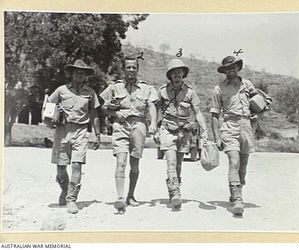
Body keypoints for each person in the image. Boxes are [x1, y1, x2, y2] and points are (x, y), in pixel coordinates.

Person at [100, 55, 158, 212]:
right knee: (121, 161)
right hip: (120, 126)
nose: (131, 70)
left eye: (134, 67)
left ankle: (130, 195)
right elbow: (103, 107)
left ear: (137, 69)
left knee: (134, 164)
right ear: (123, 69)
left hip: (139, 126)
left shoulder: (147, 88)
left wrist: (153, 123)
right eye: (128, 67)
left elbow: (152, 106)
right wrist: (115, 113)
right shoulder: (114, 87)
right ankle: (120, 197)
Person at [48, 59, 101, 214]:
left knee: (77, 164)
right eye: (76, 71)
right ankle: (64, 190)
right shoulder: (61, 90)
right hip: (62, 131)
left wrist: (97, 135)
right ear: (71, 73)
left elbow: (95, 114)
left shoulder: (90, 93)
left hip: (81, 131)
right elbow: (49, 107)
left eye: (82, 72)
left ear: (86, 76)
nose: (79, 74)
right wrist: (49, 121)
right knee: (61, 167)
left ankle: (72, 199)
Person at [210, 55, 260, 216]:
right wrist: (217, 136)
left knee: (243, 166)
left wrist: (258, 115)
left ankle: (236, 190)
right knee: (234, 162)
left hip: (246, 126)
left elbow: (260, 103)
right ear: (224, 70)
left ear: (238, 68)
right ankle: (238, 199)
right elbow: (214, 114)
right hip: (229, 127)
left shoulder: (247, 84)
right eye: (228, 67)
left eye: (234, 66)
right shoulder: (219, 89)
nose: (231, 69)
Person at [157, 58, 208, 209]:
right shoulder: (162, 91)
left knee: (178, 165)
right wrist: (154, 127)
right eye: (174, 73)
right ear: (170, 75)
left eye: (180, 72)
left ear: (183, 74)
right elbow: (157, 110)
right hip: (167, 129)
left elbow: (197, 112)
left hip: (183, 131)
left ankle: (174, 190)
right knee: (171, 161)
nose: (177, 75)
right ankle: (175, 191)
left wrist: (204, 130)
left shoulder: (190, 92)